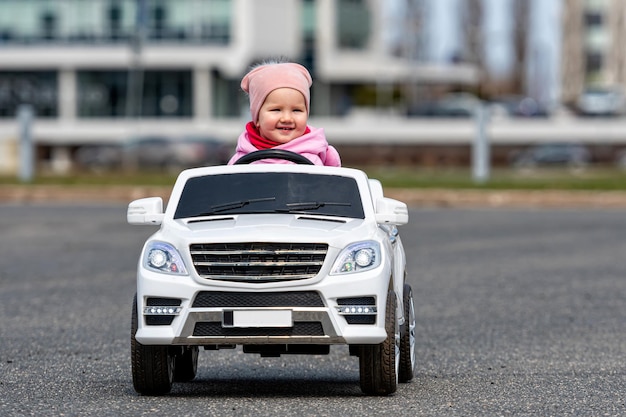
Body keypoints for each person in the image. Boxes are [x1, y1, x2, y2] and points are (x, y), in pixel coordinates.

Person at [228, 61, 341, 166]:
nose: (287, 118)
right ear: (257, 118)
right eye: (276, 110)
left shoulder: (320, 156)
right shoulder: (240, 160)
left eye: (296, 110)